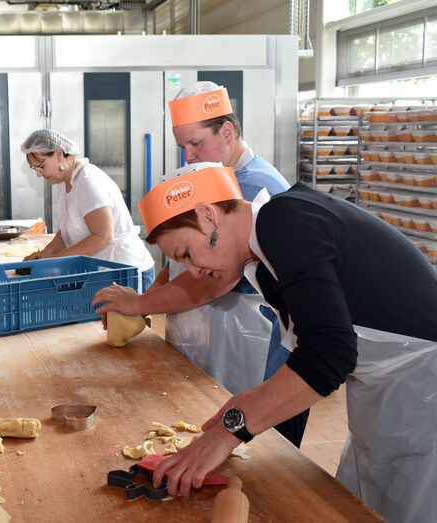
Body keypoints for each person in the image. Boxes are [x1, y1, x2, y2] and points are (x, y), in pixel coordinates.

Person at [138, 165, 437, 523]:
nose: (194, 271)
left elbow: (328, 356)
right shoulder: (263, 263)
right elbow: (318, 351)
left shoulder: (283, 220)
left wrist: (226, 434)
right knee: (363, 503)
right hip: (387, 389)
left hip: (424, 389)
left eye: (186, 253)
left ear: (208, 215)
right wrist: (250, 400)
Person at [91, 82, 307, 447]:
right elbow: (180, 262)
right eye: (182, 147)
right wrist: (145, 302)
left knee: (260, 456)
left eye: (196, 144)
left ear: (227, 131)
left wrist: (141, 304)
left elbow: (211, 282)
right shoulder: (208, 176)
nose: (188, 156)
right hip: (213, 339)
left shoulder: (253, 187)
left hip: (251, 347)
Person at [20, 128, 155, 292]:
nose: (39, 174)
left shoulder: (87, 181)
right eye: (35, 169)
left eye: (40, 166)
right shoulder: (64, 183)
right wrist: (44, 255)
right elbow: (67, 232)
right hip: (105, 273)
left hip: (127, 272)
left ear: (58, 154)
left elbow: (103, 237)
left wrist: (55, 260)